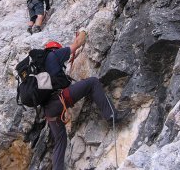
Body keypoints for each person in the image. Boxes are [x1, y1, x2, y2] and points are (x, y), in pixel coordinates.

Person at [43, 30, 130, 170]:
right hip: (60, 99)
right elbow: (77, 43)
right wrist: (83, 32)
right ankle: (112, 116)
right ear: (55, 49)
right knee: (93, 82)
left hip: (48, 110)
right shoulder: (55, 54)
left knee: (60, 139)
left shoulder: (41, 66)